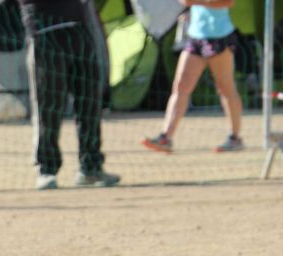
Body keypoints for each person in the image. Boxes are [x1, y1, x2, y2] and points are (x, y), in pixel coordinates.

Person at [18, 0, 120, 190]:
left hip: (80, 30)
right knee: (48, 107)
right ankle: (46, 170)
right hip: (45, 32)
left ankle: (90, 168)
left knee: (90, 104)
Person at [142, 0, 243, 154]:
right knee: (180, 87)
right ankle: (165, 138)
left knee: (226, 88)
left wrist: (199, 2)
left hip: (220, 36)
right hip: (195, 37)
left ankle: (234, 138)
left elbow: (228, 2)